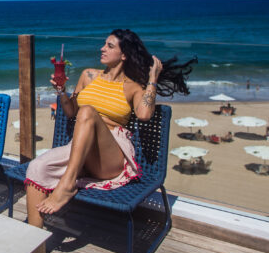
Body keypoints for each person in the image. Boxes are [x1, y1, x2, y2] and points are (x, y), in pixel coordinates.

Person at [25, 29, 195, 226]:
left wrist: (152, 80)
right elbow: (71, 112)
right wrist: (62, 91)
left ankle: (68, 184)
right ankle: (35, 249)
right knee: (36, 167)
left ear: (124, 55)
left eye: (109, 46)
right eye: (104, 44)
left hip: (109, 157)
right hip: (80, 149)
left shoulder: (133, 87)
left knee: (87, 111)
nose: (102, 48)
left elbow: (144, 114)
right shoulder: (88, 75)